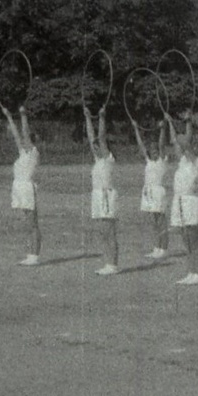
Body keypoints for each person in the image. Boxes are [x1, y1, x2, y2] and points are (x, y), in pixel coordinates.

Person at [170, 114, 198, 285]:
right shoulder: (184, 161)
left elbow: (183, 141)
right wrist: (172, 122)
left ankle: (197, 273)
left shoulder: (195, 161)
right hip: (179, 201)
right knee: (185, 238)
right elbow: (177, 143)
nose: (193, 147)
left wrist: (188, 123)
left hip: (190, 201)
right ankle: (191, 271)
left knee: (193, 237)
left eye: (197, 146)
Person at [3, 103, 41, 265]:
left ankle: (34, 255)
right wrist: (9, 116)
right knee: (27, 222)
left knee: (32, 222)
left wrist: (23, 115)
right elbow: (16, 135)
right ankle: (30, 254)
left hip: (27, 187)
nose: (23, 141)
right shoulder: (23, 152)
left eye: (27, 140)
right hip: (19, 188)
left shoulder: (33, 153)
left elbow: (23, 132)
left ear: (31, 141)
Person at [84, 106, 120, 275]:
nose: (96, 148)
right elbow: (93, 138)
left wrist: (101, 118)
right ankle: (107, 263)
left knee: (108, 230)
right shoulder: (98, 160)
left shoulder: (108, 159)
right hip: (97, 196)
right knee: (101, 230)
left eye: (99, 146)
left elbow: (100, 137)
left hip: (107, 195)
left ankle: (113, 264)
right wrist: (87, 118)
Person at [132, 116, 170, 260]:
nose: (154, 151)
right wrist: (136, 128)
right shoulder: (148, 161)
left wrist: (162, 128)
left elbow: (161, 145)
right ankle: (156, 247)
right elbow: (141, 145)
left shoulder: (162, 160)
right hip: (148, 192)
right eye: (151, 149)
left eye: (155, 149)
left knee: (161, 220)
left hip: (158, 191)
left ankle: (164, 248)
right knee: (153, 221)